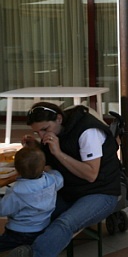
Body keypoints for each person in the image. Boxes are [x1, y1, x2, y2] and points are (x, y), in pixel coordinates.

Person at [9, 102, 121, 257]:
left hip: (101, 192)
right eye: (37, 132)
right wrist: (37, 147)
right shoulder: (56, 131)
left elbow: (91, 174)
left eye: (45, 129)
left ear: (59, 119)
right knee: (32, 209)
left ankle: (32, 254)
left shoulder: (88, 131)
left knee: (65, 223)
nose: (42, 135)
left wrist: (58, 153)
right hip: (70, 190)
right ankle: (15, 245)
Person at [0, 147, 63, 252]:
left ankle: (21, 250)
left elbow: (2, 210)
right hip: (43, 227)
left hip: (17, 231)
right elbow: (60, 178)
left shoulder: (17, 192)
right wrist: (50, 170)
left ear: (17, 170)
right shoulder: (51, 181)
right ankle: (28, 249)